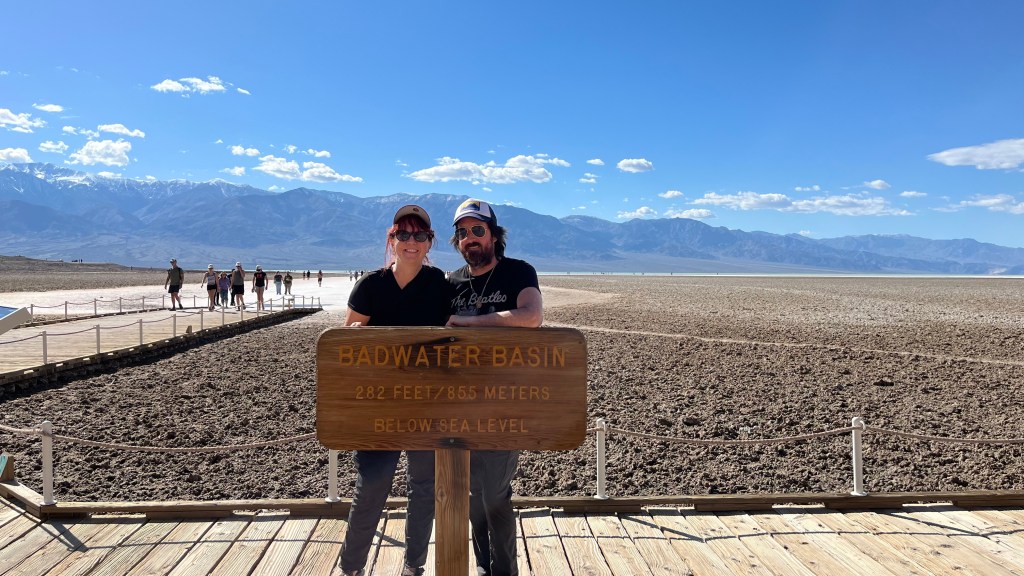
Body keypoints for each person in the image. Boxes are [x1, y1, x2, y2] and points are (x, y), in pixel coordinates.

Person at [338, 205, 452, 576]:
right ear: (392, 240)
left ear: (429, 242)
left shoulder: (439, 287)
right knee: (372, 484)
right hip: (378, 406)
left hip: (426, 406)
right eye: (403, 234)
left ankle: (413, 565)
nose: (411, 242)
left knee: (423, 486)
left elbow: (453, 337)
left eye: (420, 235)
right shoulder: (370, 286)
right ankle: (352, 567)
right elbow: (347, 346)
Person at [447, 199, 542, 576]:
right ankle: (484, 565)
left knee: (496, 494)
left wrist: (473, 324)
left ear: (494, 235)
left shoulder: (518, 272)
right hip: (459, 404)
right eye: (462, 233)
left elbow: (532, 316)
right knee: (472, 496)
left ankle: (505, 570)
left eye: (478, 230)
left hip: (504, 402)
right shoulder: (452, 282)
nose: (470, 238)